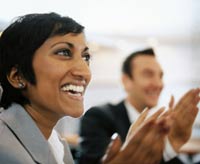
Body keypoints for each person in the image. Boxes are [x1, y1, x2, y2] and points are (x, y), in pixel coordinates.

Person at [0, 12, 180, 164]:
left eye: (86, 57)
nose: (84, 72)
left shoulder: (57, 144)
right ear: (18, 76)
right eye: (64, 52)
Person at [78, 48, 200, 164]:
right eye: (148, 74)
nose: (158, 83)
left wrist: (170, 145)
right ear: (126, 81)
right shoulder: (98, 117)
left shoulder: (158, 125)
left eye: (160, 76)